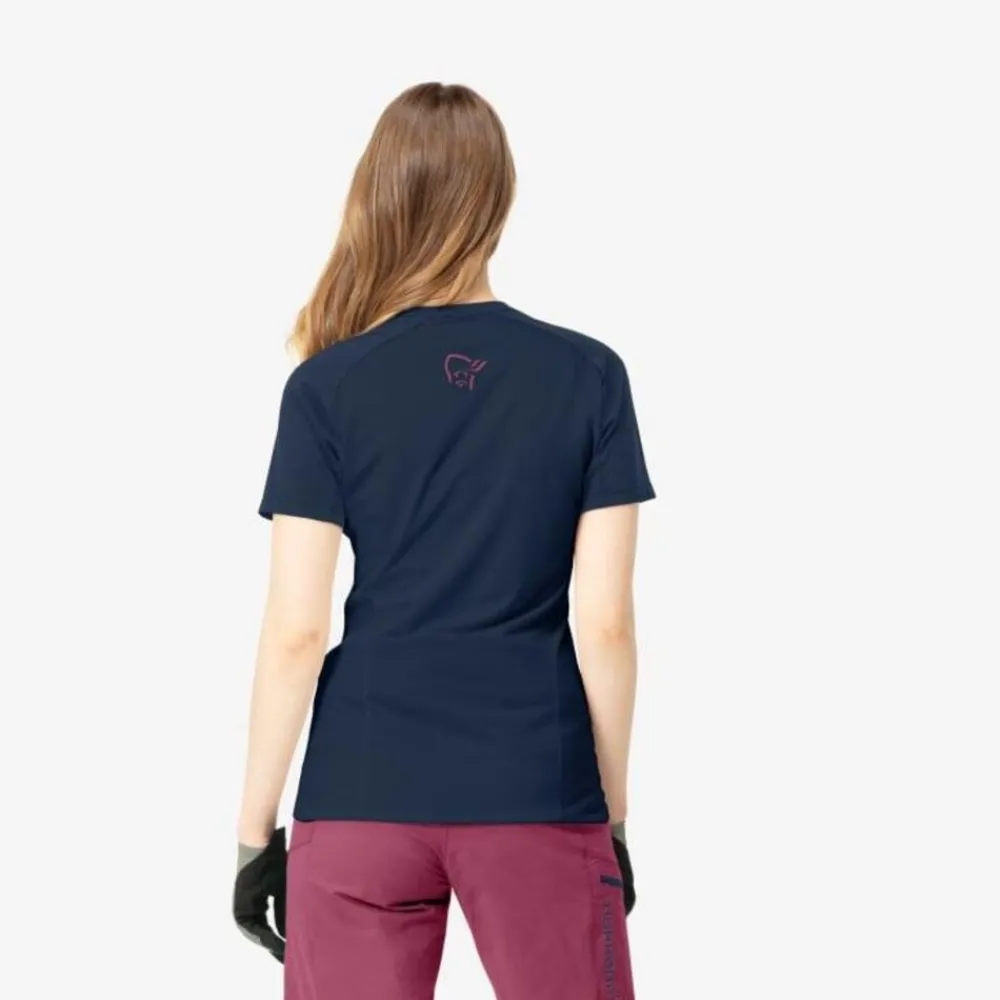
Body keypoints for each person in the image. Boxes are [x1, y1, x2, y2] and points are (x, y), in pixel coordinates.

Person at [232, 82, 655, 1000]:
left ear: (378, 194)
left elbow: (296, 632)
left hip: (361, 787)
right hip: (536, 786)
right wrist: (612, 819)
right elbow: (606, 624)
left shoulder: (326, 387)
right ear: (500, 198)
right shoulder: (588, 375)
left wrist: (255, 834)